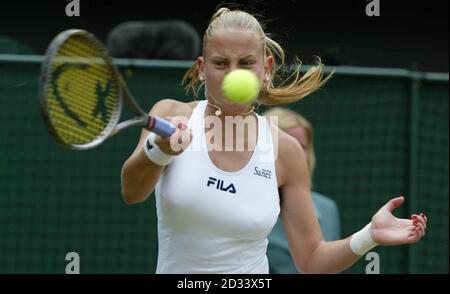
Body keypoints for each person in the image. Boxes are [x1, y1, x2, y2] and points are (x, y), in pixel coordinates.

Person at [120, 7, 427, 274]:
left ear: (266, 70)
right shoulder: (169, 115)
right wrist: (158, 151)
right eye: (220, 63)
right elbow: (131, 192)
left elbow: (311, 259)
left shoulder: (285, 150)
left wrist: (370, 235)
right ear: (201, 70)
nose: (232, 75)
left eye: (245, 63)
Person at [262, 107, 341, 273]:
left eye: (302, 146)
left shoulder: (327, 209)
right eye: (289, 144)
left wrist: (369, 236)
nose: (296, 152)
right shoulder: (240, 205)